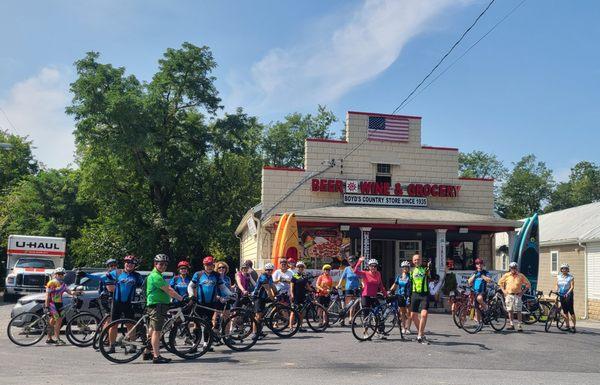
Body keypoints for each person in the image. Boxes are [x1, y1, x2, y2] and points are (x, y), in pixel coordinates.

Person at [144, 254, 183, 364]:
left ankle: (147, 352)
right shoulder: (156, 276)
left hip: (157, 305)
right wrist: (180, 298)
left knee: (152, 329)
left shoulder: (157, 275)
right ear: (155, 264)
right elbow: (169, 290)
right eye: (160, 264)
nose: (163, 266)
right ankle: (156, 356)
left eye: (165, 264)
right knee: (157, 331)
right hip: (158, 306)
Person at [108, 255, 145, 351]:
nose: (129, 264)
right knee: (113, 325)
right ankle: (112, 346)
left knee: (130, 325)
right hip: (116, 303)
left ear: (134, 265)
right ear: (124, 263)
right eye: (127, 262)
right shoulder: (117, 273)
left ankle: (132, 345)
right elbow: (103, 278)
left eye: (132, 263)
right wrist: (85, 275)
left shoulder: (137, 276)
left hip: (129, 303)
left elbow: (144, 287)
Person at [188, 256, 224, 349]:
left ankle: (205, 344)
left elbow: (222, 287)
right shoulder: (198, 274)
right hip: (199, 303)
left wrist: (231, 294)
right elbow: (190, 286)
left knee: (208, 324)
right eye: (207, 265)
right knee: (197, 324)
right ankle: (195, 344)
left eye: (211, 265)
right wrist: (191, 295)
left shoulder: (216, 275)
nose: (209, 267)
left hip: (211, 304)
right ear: (204, 265)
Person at [44, 267, 80, 345]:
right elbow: (47, 295)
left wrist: (77, 292)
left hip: (60, 304)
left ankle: (49, 338)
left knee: (53, 321)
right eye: (59, 274)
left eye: (62, 274)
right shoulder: (51, 283)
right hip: (52, 304)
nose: (60, 275)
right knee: (59, 321)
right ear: (55, 275)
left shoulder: (63, 284)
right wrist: (46, 306)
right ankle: (57, 339)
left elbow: (70, 292)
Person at [354, 257, 387, 339]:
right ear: (369, 266)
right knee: (366, 315)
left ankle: (378, 331)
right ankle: (365, 332)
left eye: (375, 266)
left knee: (378, 314)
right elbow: (355, 271)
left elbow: (381, 285)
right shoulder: (365, 273)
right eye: (371, 266)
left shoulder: (378, 274)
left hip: (374, 297)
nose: (373, 268)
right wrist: (359, 261)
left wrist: (385, 294)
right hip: (366, 296)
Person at [498, 261, 531, 332]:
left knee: (519, 310)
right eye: (512, 268)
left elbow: (528, 284)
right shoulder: (506, 275)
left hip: (517, 295)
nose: (513, 269)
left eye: (515, 268)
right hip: (509, 294)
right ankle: (511, 324)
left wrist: (522, 292)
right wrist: (504, 291)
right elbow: (500, 283)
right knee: (510, 310)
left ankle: (519, 325)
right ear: (510, 268)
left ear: (517, 268)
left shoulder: (521, 275)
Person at [410, 254, 431, 344]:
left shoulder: (426, 269)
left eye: (418, 259)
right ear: (413, 261)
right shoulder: (411, 271)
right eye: (415, 260)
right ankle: (421, 334)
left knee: (424, 315)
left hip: (424, 294)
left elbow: (431, 276)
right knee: (413, 316)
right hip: (415, 294)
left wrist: (430, 268)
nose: (417, 261)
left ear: (421, 260)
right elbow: (409, 283)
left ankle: (419, 334)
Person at [251, 263, 277, 336]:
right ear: (265, 270)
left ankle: (259, 331)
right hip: (258, 297)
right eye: (267, 270)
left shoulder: (270, 276)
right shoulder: (263, 277)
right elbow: (268, 289)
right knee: (258, 316)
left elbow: (272, 286)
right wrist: (273, 299)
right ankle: (254, 333)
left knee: (261, 315)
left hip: (263, 297)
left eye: (271, 270)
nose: (269, 271)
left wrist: (277, 293)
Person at [336, 255, 361, 325]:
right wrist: (339, 284)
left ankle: (351, 318)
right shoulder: (347, 269)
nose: (351, 263)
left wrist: (363, 285)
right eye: (350, 262)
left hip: (356, 288)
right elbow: (342, 278)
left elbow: (361, 278)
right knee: (348, 305)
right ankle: (342, 318)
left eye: (353, 261)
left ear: (355, 262)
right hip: (348, 288)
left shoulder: (358, 269)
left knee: (354, 305)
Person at [389, 260, 412, 335]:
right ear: (402, 268)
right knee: (402, 312)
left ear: (409, 268)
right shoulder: (399, 276)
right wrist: (390, 291)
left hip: (408, 296)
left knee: (408, 312)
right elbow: (395, 285)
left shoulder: (411, 276)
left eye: (407, 267)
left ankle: (408, 328)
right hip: (400, 296)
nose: (405, 268)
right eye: (404, 267)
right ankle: (403, 327)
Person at [289, 261, 312, 332]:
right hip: (295, 296)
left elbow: (307, 286)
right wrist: (292, 295)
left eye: (302, 267)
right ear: (297, 268)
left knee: (302, 312)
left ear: (303, 268)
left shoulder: (304, 276)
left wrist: (313, 290)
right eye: (299, 267)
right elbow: (291, 287)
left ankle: (300, 327)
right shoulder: (295, 276)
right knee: (293, 311)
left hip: (302, 296)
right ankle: (291, 327)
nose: (300, 268)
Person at [556, 263, 576, 333]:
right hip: (561, 294)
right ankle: (567, 325)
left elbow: (572, 287)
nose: (564, 270)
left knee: (571, 310)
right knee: (565, 311)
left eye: (566, 269)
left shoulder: (570, 277)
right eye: (563, 268)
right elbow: (557, 285)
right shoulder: (558, 276)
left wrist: (567, 293)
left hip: (569, 295)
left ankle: (573, 326)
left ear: (568, 270)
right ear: (561, 270)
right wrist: (556, 291)